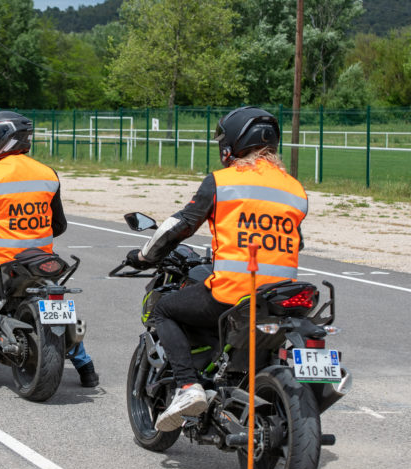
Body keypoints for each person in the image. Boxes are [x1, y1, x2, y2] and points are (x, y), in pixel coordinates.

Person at [126, 106, 307, 431]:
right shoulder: (295, 190)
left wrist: (144, 256)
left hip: (235, 293)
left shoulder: (222, 182)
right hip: (279, 296)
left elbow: (179, 226)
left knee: (164, 310)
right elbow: (295, 242)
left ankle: (187, 388)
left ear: (235, 143)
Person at [0, 110, 99, 387]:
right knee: (59, 305)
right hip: (42, 260)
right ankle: (85, 366)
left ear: (3, 139)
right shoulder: (47, 173)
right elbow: (59, 225)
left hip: (0, 262)